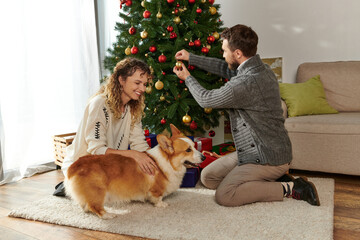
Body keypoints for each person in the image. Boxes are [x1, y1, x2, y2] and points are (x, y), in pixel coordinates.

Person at [173, 24, 320, 206]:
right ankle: (274, 180)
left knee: (225, 195)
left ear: (238, 54)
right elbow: (226, 68)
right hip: (255, 151)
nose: (223, 54)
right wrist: (191, 58)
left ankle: (292, 188)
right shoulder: (261, 68)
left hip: (267, 157)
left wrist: (187, 78)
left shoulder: (246, 83)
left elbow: (206, 99)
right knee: (208, 177)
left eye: (225, 50)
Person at [54, 57, 158, 196]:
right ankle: (71, 186)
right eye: (137, 83)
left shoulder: (133, 109)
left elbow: (139, 144)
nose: (142, 89)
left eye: (144, 84)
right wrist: (133, 154)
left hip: (111, 166)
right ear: (121, 80)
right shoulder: (99, 104)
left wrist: (159, 162)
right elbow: (96, 149)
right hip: (84, 166)